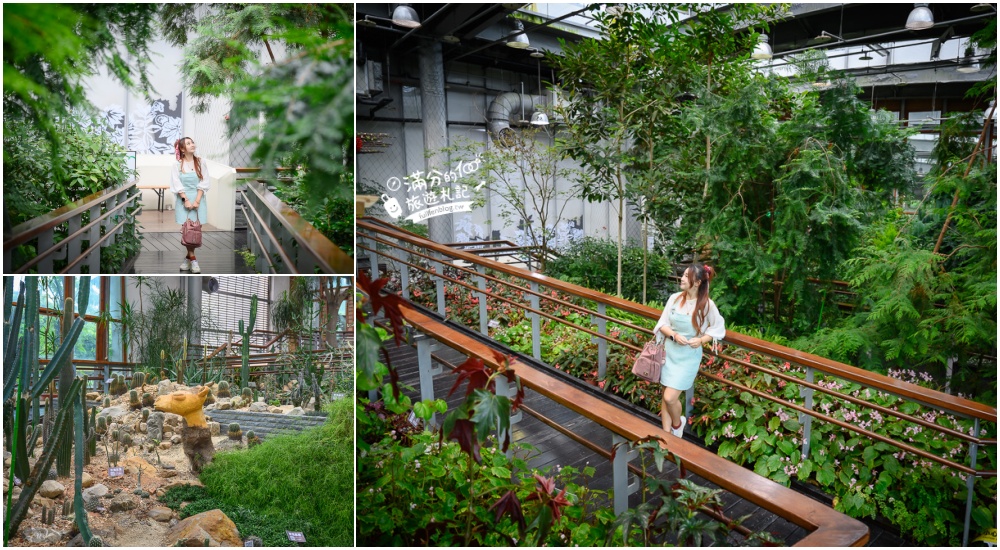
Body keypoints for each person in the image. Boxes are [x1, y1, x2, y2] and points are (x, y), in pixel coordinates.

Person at [652, 263, 725, 438]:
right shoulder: (675, 298)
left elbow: (718, 328)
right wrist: (674, 336)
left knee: (670, 397)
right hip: (670, 352)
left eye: (686, 276)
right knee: (666, 396)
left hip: (688, 357)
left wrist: (701, 340)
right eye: (683, 275)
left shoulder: (706, 305)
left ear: (698, 282)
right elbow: (662, 324)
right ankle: (666, 436)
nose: (682, 279)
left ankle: (678, 425)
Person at [170, 137, 210, 274]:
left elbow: (204, 182)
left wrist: (197, 201)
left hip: (198, 199)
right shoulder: (177, 165)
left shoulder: (201, 162)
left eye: (192, 142)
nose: (192, 144)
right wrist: (185, 200)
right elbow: (176, 183)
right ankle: (193, 260)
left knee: (196, 230)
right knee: (187, 230)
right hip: (184, 200)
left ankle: (188, 259)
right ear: (182, 149)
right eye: (188, 143)